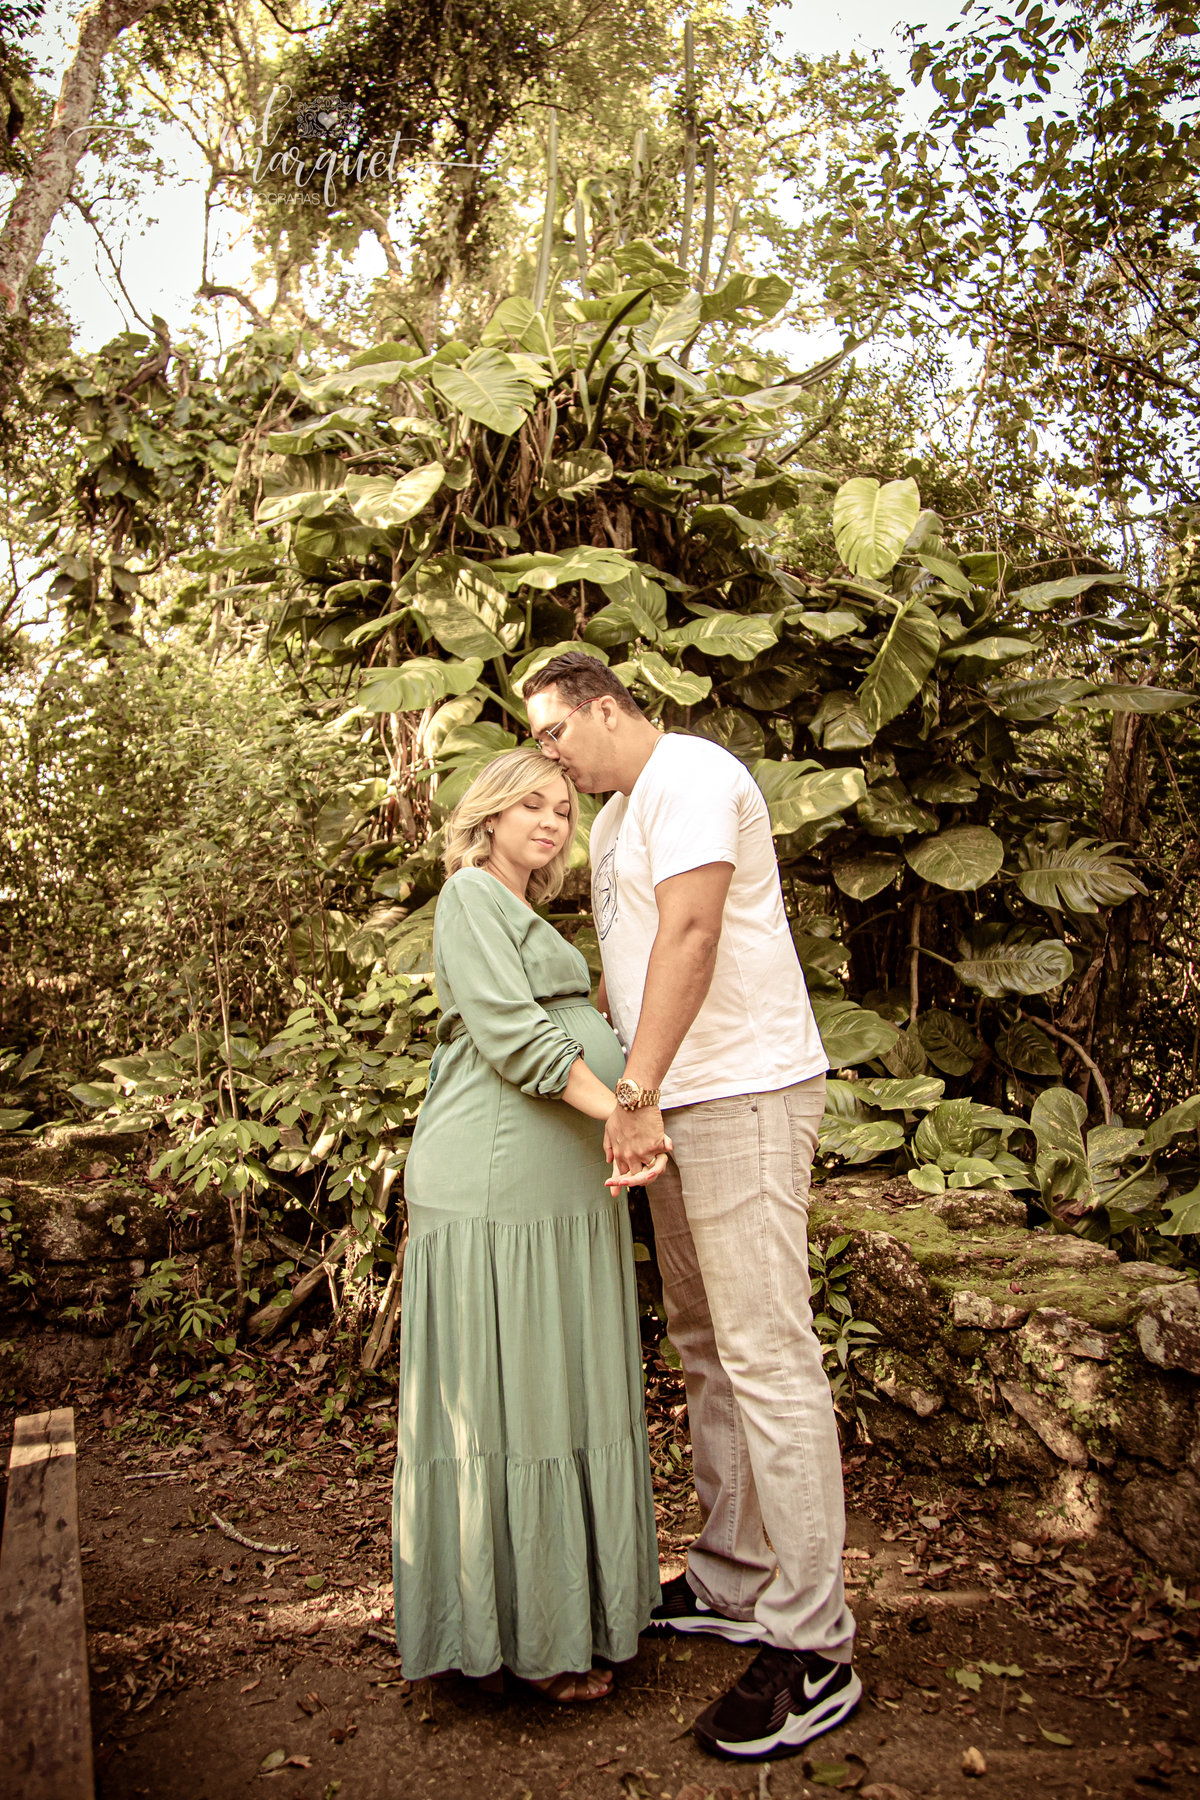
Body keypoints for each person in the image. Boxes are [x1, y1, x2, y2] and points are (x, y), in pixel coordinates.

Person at [524, 652, 860, 1761]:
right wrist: (637, 1095)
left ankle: (816, 1648)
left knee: (768, 1352)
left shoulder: (696, 775)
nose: (548, 758)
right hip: (674, 1103)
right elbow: (627, 971)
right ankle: (734, 1576)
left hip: (745, 1091)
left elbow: (694, 937)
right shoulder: (618, 819)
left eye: (554, 734)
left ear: (605, 707)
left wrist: (637, 1091)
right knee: (711, 1346)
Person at [392, 745, 663, 1704]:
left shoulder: (523, 910)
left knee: (557, 1388)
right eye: (531, 804)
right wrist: (623, 1108)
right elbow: (512, 1034)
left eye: (561, 807)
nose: (552, 820)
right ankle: (534, 1640)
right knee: (516, 1399)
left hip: (554, 1188)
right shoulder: (470, 895)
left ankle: (571, 1608)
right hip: (498, 1181)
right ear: (491, 815)